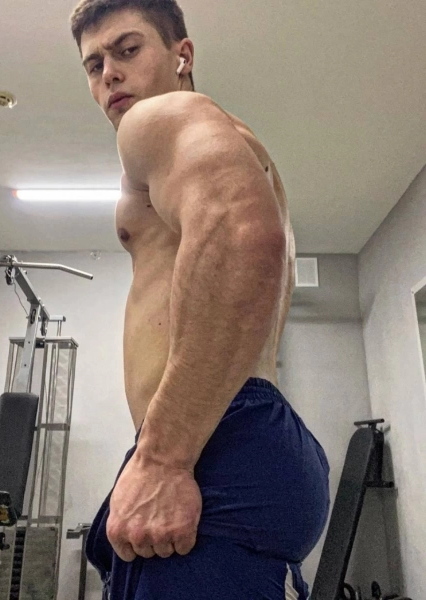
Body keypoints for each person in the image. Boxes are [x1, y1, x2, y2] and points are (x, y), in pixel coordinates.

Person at [70, 1, 330, 598]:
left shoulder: (160, 118)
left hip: (215, 444)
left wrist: (162, 459)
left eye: (127, 50)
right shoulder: (235, 143)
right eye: (93, 65)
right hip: (242, 439)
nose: (109, 73)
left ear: (181, 54)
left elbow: (241, 234)